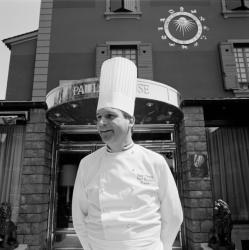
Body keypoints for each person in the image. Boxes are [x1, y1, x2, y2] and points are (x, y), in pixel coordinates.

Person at [72, 57, 183, 250]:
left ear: (131, 120)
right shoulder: (87, 163)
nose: (101, 123)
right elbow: (79, 217)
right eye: (98, 117)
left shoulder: (154, 161)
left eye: (110, 116)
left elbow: (173, 216)